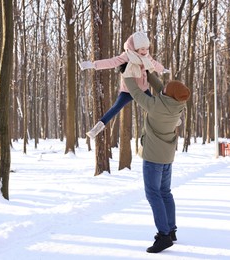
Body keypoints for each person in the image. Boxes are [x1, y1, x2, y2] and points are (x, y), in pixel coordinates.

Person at [123, 71, 190, 253]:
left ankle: (164, 236)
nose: (165, 86)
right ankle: (171, 229)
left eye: (168, 87)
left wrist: (127, 74)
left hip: (153, 157)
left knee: (153, 194)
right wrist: (147, 72)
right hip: (167, 156)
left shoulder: (155, 106)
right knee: (165, 192)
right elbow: (162, 88)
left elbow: (136, 93)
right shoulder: (178, 104)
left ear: (169, 94)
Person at [79, 31, 169, 139]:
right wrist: (94, 65)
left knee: (153, 107)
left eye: (146, 48)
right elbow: (112, 62)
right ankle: (97, 128)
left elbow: (154, 63)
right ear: (135, 48)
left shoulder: (147, 57)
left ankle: (170, 119)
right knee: (116, 108)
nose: (145, 52)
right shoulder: (127, 56)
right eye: (142, 49)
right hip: (128, 91)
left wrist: (162, 69)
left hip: (142, 89)